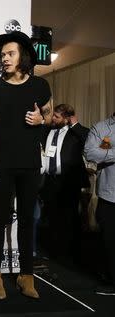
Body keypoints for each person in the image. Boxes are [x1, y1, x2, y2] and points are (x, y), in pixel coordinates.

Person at [0, 31, 52, 299]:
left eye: (10, 54)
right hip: (1, 164)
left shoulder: (41, 86)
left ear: (23, 56)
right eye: (2, 55)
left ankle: (27, 276)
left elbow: (48, 117)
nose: (4, 59)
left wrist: (41, 121)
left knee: (26, 221)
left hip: (30, 165)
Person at [40, 104, 89, 262]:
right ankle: (53, 250)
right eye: (53, 115)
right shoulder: (48, 130)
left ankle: (70, 252)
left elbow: (88, 138)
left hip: (68, 181)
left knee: (68, 216)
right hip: (49, 180)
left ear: (67, 118)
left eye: (57, 116)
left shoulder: (75, 133)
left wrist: (75, 124)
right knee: (50, 215)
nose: (53, 118)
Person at [84, 112, 115, 296]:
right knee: (109, 241)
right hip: (109, 194)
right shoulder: (102, 127)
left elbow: (99, 153)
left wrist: (106, 153)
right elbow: (90, 152)